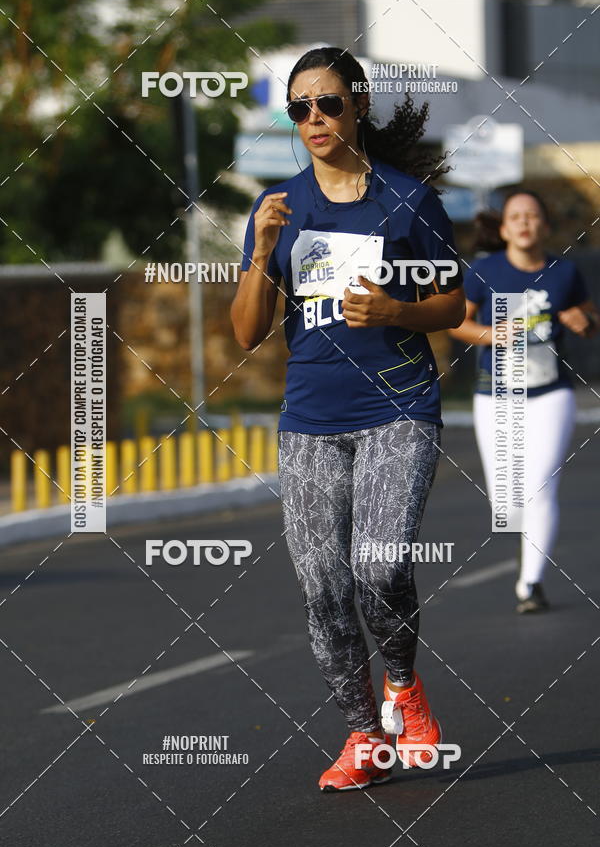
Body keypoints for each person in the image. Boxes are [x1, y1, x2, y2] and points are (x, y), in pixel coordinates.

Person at [230, 46, 465, 791]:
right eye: (299, 108)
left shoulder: (406, 200)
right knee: (324, 588)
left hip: (399, 405)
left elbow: (454, 304)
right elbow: (244, 333)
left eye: (328, 104)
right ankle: (365, 737)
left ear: (358, 106)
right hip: (311, 417)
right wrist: (264, 251)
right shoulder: (277, 209)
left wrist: (399, 309)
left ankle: (404, 685)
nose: (314, 120)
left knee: (381, 563)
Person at [449, 191, 599, 613]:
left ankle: (530, 583)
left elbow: (590, 324)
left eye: (533, 215)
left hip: (551, 393)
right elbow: (456, 321)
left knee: (540, 488)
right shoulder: (485, 270)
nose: (525, 222)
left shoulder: (564, 273)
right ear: (503, 228)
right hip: (496, 394)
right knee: (507, 501)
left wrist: (583, 321)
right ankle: (525, 559)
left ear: (545, 227)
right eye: (516, 216)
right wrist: (489, 334)